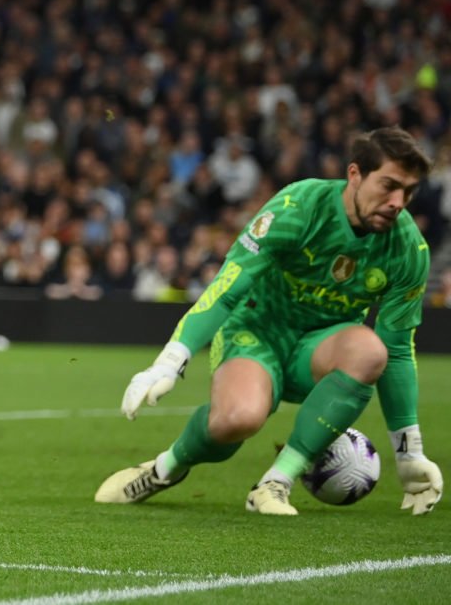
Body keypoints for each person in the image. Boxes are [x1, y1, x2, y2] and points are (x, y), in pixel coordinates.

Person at [95, 127, 443, 516]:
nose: (398, 202)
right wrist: (171, 360)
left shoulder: (408, 249)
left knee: (372, 351)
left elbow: (397, 349)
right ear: (355, 174)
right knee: (237, 420)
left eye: (408, 192)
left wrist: (409, 450)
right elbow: (228, 287)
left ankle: (276, 482)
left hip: (321, 346)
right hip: (257, 332)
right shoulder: (299, 207)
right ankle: (164, 469)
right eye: (389, 185)